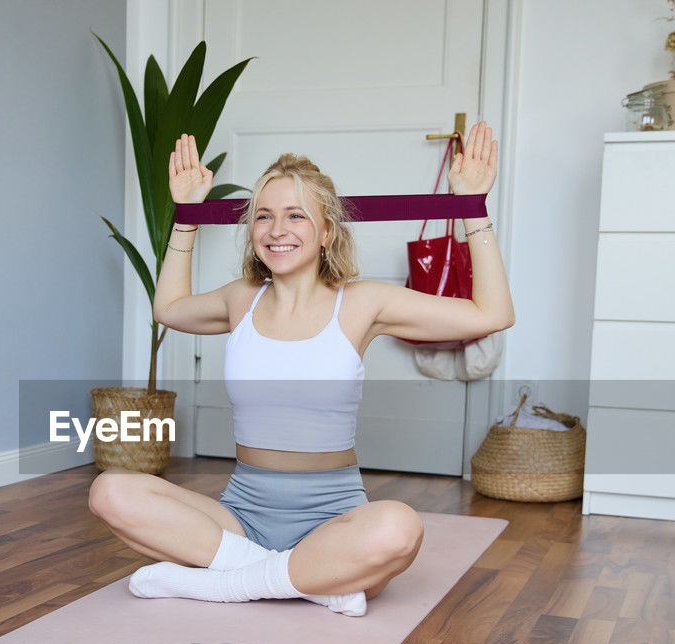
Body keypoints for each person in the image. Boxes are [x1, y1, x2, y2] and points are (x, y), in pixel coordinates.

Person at [88, 122, 513, 616]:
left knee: (399, 528)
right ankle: (295, 578)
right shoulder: (240, 300)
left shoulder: (362, 303)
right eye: (263, 217)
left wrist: (472, 207)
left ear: (327, 230)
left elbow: (492, 314)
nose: (277, 230)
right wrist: (187, 215)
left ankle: (228, 583)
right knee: (110, 490)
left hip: (333, 521)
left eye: (296, 215)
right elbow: (170, 307)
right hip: (241, 516)